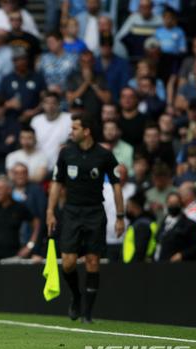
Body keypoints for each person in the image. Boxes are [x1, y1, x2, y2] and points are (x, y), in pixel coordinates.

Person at [46, 113, 124, 323]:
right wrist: (50, 211)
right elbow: (56, 184)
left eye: (75, 128)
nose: (71, 132)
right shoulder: (66, 154)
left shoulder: (104, 155)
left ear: (86, 131)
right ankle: (76, 296)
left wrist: (120, 216)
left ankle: (88, 314)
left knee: (92, 261)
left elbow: (117, 186)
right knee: (69, 263)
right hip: (71, 211)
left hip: (94, 212)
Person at [0, 47, 45, 124]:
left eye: (23, 59)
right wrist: (8, 104)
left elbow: (44, 98)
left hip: (34, 119)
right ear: (13, 61)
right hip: (11, 120)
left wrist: (34, 111)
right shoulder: (6, 79)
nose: (21, 62)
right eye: (17, 60)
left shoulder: (37, 77)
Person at [10, 162, 46, 260]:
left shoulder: (36, 191)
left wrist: (31, 245)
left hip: (30, 240)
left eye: (23, 173)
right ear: (12, 175)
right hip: (10, 244)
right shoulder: (8, 191)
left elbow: (41, 218)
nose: (20, 176)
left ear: (27, 174)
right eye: (17, 173)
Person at [30, 91, 72, 171]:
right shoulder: (36, 120)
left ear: (59, 104)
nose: (50, 106)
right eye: (47, 103)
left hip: (62, 166)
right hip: (40, 166)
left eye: (53, 103)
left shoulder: (69, 119)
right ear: (42, 105)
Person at [155, 192, 196, 262]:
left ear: (181, 204)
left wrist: (182, 255)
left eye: (175, 203)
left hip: (181, 266)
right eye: (170, 203)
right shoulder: (164, 222)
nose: (172, 206)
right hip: (161, 264)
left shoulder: (191, 225)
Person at [123, 191, 158, 262]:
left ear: (135, 206)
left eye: (128, 206)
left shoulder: (142, 225)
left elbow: (140, 251)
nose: (126, 209)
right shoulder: (142, 222)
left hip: (136, 267)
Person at [179, 181, 196, 248]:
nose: (179, 196)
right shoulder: (189, 209)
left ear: (189, 195)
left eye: (181, 193)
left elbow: (191, 234)